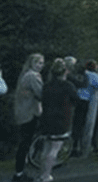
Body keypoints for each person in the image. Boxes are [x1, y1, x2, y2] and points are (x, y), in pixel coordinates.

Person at [36, 58, 81, 182]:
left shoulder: (46, 86)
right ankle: (46, 175)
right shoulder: (68, 86)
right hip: (62, 119)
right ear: (65, 72)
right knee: (54, 149)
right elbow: (76, 100)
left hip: (46, 118)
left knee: (46, 148)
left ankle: (41, 174)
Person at [12, 53, 44, 182]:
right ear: (32, 63)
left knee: (24, 143)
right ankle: (19, 173)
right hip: (29, 113)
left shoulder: (25, 75)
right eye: (38, 63)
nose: (40, 66)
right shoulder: (32, 76)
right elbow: (41, 93)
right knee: (25, 143)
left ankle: (20, 171)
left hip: (22, 111)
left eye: (42, 63)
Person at [72, 60, 98, 157]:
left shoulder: (81, 74)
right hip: (86, 100)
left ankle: (74, 146)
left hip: (77, 99)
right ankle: (83, 148)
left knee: (76, 124)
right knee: (85, 125)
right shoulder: (92, 76)